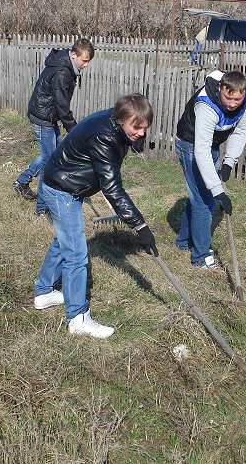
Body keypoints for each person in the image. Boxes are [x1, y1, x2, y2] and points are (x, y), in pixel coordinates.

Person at [32, 93, 157, 338]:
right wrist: (140, 227)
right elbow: (112, 188)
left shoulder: (114, 123)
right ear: (121, 119)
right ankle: (78, 318)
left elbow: (123, 143)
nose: (142, 133)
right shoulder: (104, 136)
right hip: (62, 190)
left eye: (145, 128)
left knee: (63, 241)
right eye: (137, 128)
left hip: (64, 184)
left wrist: (134, 139)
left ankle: (44, 292)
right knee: (76, 255)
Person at [174, 70, 246, 269]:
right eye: (228, 98)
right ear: (220, 88)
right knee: (205, 201)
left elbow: (242, 130)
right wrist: (218, 191)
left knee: (199, 197)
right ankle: (200, 258)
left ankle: (184, 242)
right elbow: (201, 151)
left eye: (238, 99)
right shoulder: (206, 105)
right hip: (190, 144)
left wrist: (228, 162)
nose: (233, 103)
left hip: (212, 144)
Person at [11, 38, 95, 219]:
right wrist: (76, 132)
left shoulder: (65, 64)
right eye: (84, 60)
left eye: (88, 61)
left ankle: (21, 182)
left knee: (50, 156)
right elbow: (62, 108)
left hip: (46, 116)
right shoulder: (62, 72)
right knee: (50, 163)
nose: (86, 65)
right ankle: (42, 209)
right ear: (74, 55)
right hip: (43, 119)